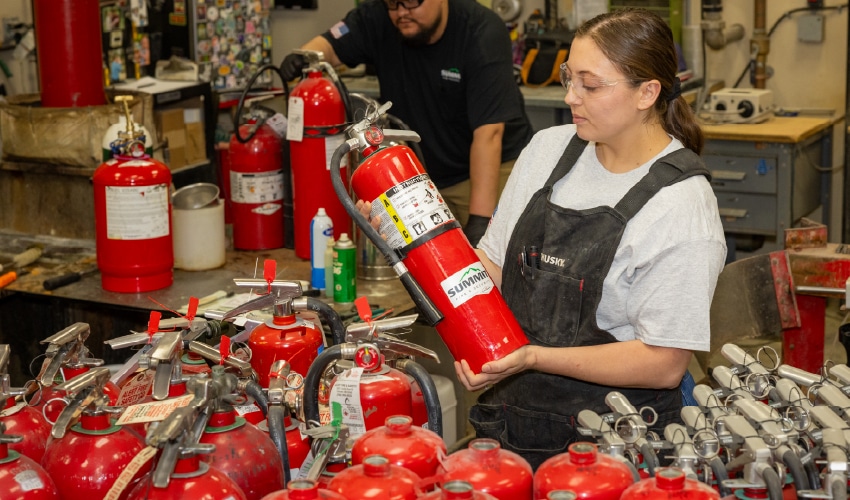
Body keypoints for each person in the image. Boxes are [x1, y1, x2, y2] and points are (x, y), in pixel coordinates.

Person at [449, 8, 727, 469]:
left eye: (591, 85)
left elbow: (663, 362)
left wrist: (532, 357)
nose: (572, 97)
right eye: (568, 78)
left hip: (615, 445)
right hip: (510, 422)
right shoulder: (548, 150)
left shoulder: (682, 206)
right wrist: (420, 248)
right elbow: (493, 266)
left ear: (647, 92)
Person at [279, 0, 533, 246]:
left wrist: (480, 221)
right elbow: (332, 44)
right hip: (419, 174)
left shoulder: (481, 30)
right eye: (393, 3)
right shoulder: (378, 16)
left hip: (484, 169)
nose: (401, 12)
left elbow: (489, 134)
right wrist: (306, 57)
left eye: (412, 2)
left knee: (487, 261)